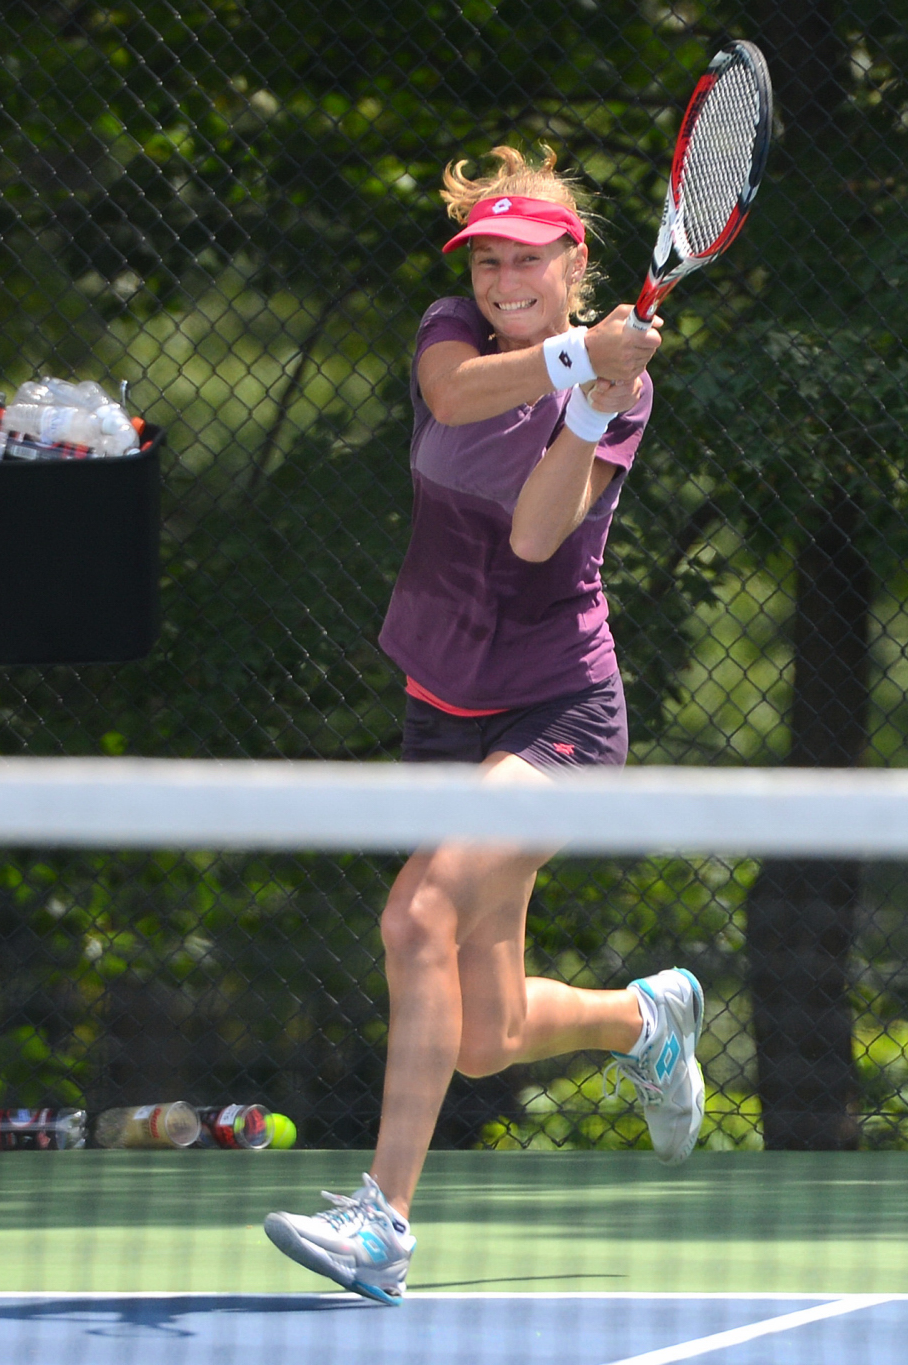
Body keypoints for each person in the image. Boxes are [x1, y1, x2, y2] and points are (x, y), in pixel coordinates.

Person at [263, 146, 701, 1305]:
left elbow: (534, 537)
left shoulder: (624, 387)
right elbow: (458, 398)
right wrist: (575, 356)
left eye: (531, 259)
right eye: (492, 259)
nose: (506, 278)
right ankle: (643, 1017)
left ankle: (382, 1224)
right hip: (438, 703)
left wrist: (594, 397)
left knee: (415, 914)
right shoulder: (447, 333)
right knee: (486, 1035)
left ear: (575, 263)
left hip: (558, 706)